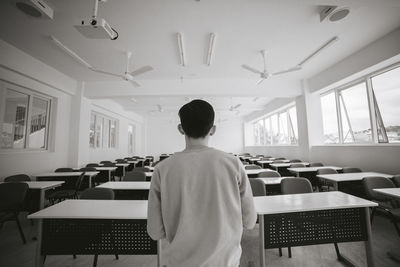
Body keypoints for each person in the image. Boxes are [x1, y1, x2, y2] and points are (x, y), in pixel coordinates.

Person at [147, 99, 257, 267]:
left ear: (180, 129)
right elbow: (250, 221)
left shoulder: (162, 169)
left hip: (180, 262)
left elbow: (155, 231)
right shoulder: (233, 163)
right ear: (212, 130)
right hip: (225, 262)